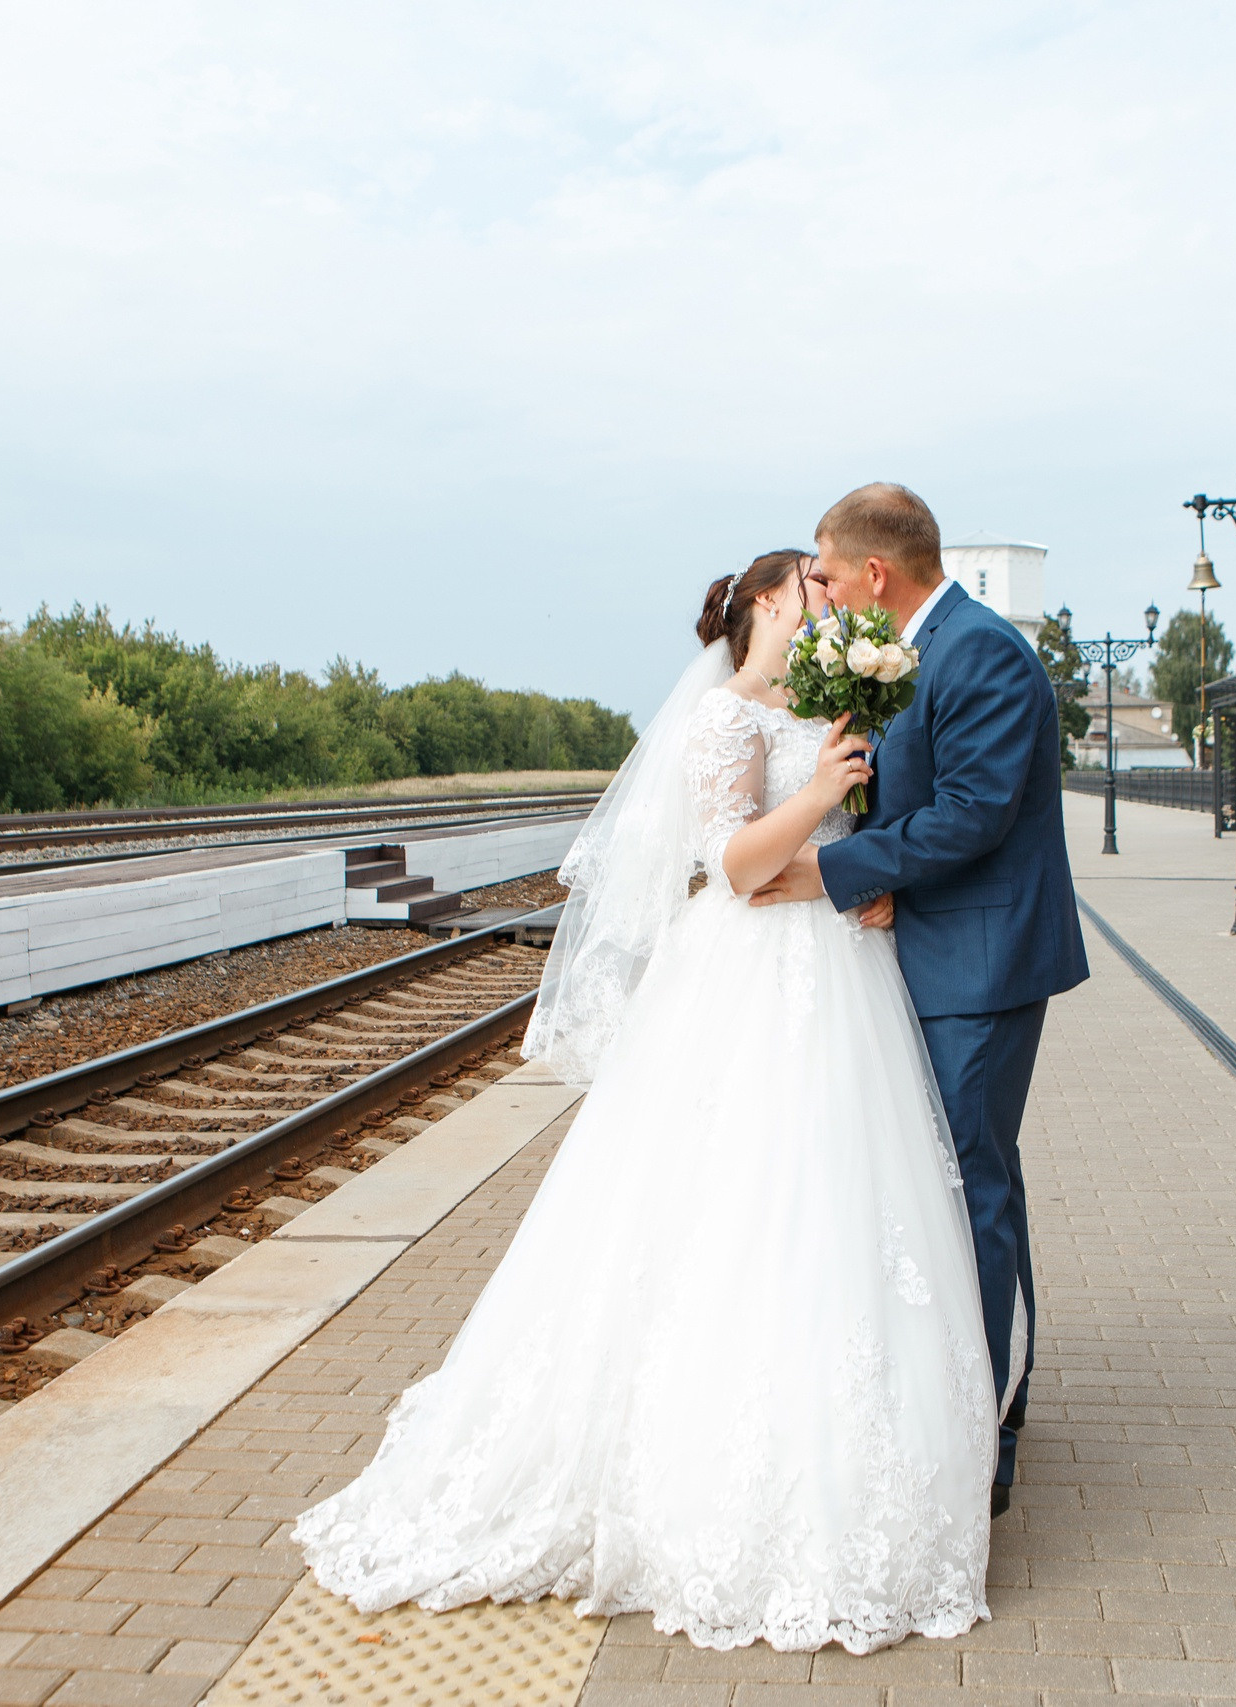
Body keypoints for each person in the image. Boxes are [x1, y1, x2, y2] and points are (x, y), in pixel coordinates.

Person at [293, 548, 995, 1655]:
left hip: (840, 972)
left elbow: (857, 839)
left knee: (837, 1206)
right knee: (728, 1201)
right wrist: (821, 793)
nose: (828, 597)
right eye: (810, 584)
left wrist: (873, 880)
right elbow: (735, 867)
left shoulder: (829, 705)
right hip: (749, 973)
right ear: (766, 602)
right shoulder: (725, 717)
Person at [750, 483, 1088, 1516]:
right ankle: (967, 1400)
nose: (822, 586)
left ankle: (989, 1428)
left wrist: (832, 872)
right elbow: (912, 796)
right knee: (953, 1182)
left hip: (979, 966)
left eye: (828, 569)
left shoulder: (979, 652)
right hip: (936, 951)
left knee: (969, 1187)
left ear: (875, 573)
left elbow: (974, 813)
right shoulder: (916, 649)